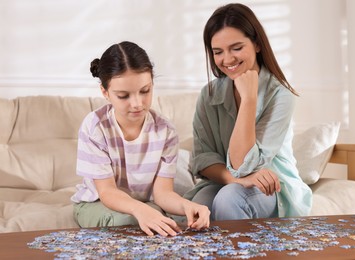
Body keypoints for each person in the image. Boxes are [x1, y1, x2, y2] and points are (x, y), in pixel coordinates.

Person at [184, 3, 312, 220]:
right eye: (218, 52)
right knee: (198, 204)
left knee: (230, 199)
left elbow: (243, 164)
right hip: (225, 181)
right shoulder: (209, 94)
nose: (228, 59)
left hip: (272, 186)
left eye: (236, 48)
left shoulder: (281, 95)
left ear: (257, 44)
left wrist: (249, 99)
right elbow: (203, 159)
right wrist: (237, 180)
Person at [71, 41, 210, 236]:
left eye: (145, 91)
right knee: (130, 221)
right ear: (105, 92)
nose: (137, 103)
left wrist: (188, 206)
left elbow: (163, 193)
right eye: (123, 95)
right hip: (97, 203)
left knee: (173, 221)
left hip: (145, 205)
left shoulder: (166, 131)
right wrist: (142, 210)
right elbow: (107, 192)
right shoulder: (95, 128)